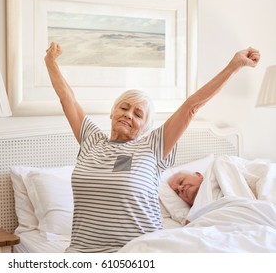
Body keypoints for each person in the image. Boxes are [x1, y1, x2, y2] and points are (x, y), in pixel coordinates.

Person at [44, 42, 260, 253]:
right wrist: (50, 62)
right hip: (82, 253)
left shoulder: (152, 147)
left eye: (138, 114)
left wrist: (234, 66)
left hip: (140, 253)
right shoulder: (91, 140)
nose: (129, 114)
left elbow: (191, 106)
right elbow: (67, 99)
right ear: (112, 113)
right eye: (124, 108)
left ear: (144, 128)